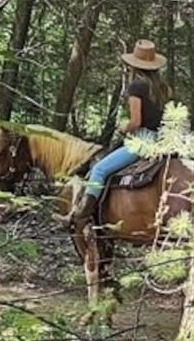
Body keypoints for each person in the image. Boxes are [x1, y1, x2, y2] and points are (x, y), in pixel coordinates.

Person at [67, 39, 171, 232]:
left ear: (134, 66)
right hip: (165, 141)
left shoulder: (136, 88)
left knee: (98, 169)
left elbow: (136, 122)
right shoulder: (163, 88)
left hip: (143, 141)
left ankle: (82, 215)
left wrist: (124, 127)